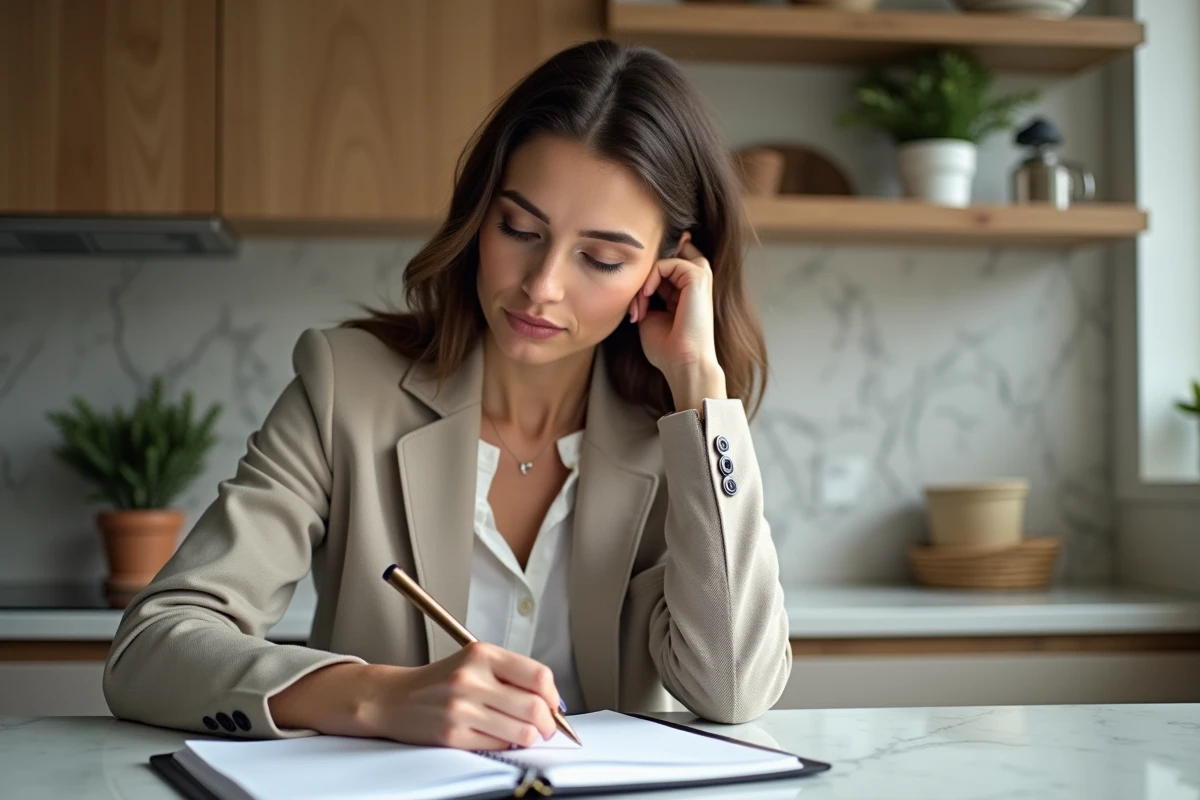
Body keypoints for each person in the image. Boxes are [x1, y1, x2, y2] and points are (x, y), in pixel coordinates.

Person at [103, 38, 790, 751]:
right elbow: (151, 649)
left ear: (668, 265)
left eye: (602, 258)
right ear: (478, 213)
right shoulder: (346, 388)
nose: (543, 285)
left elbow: (735, 691)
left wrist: (701, 390)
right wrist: (375, 696)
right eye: (519, 228)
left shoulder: (674, 436)